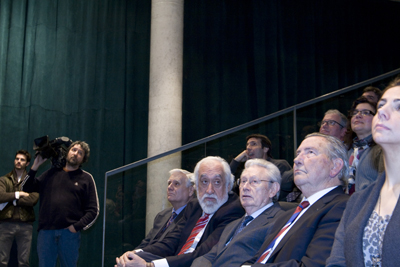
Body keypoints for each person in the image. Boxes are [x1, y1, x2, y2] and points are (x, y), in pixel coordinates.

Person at [241, 132, 349, 267]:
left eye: (310, 152)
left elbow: (315, 265)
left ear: (335, 166)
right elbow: (257, 259)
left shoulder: (342, 207)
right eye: (298, 154)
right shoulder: (286, 216)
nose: (296, 160)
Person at [115, 156, 245, 267]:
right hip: (176, 260)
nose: (209, 190)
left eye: (217, 182)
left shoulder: (233, 210)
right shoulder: (194, 206)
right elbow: (171, 242)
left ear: (228, 186)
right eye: (204, 181)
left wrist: (151, 265)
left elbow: (203, 253)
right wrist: (134, 254)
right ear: (196, 187)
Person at [326, 77, 400, 266]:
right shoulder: (357, 202)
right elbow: (337, 262)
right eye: (381, 105)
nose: (383, 112)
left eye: (398, 106)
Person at [191, 159, 284, 267]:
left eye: (254, 182)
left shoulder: (280, 222)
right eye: (243, 181)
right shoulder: (232, 226)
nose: (245, 187)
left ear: (273, 189)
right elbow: (206, 257)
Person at [22, 141, 99, 267]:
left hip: (69, 235)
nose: (76, 154)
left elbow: (93, 210)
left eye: (80, 153)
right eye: (73, 150)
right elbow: (26, 187)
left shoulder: (86, 178)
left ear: (83, 159)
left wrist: (76, 227)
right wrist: (35, 166)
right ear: (67, 152)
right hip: (46, 233)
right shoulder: (51, 173)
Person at [136, 169, 195, 249]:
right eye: (169, 183)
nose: (170, 187)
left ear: (191, 190)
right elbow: (146, 243)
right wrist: (130, 256)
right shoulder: (162, 215)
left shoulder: (193, 216)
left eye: (176, 184)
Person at [0, 150, 39, 267]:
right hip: (5, 224)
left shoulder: (33, 181)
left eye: (22, 160)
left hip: (25, 225)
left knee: (24, 262)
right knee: (2, 261)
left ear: (27, 163)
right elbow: (1, 196)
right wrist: (19, 194)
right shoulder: (4, 179)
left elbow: (33, 199)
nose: (18, 161)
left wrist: (12, 200)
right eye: (17, 159)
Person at [230, 134, 292, 200]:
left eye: (253, 144)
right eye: (247, 145)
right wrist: (236, 160)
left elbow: (278, 192)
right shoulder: (247, 169)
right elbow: (227, 185)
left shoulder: (279, 165)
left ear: (265, 149)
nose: (248, 148)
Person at [347, 96, 384, 194]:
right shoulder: (345, 151)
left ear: (377, 118)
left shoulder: (384, 150)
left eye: (365, 112)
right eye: (355, 113)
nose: (358, 115)